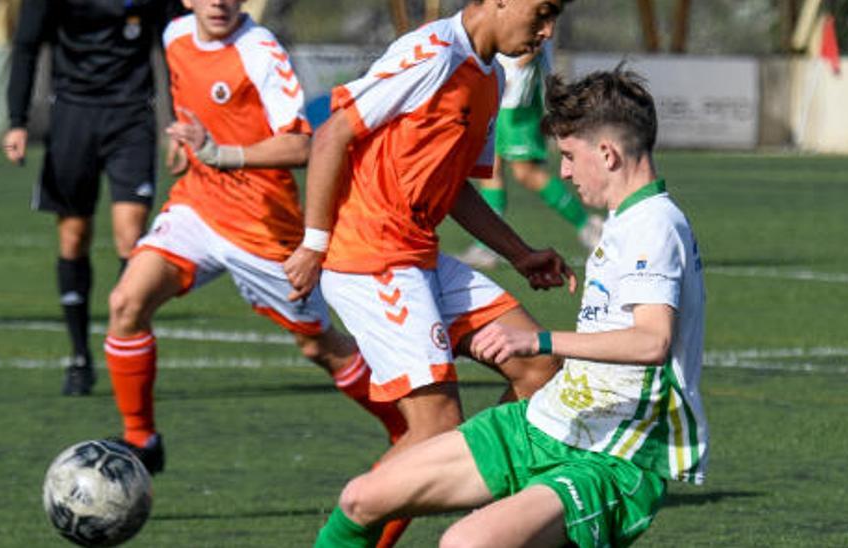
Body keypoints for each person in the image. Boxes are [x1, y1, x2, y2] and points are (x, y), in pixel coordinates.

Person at [312, 68, 708, 548]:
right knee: (363, 499)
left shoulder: (654, 225)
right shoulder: (626, 220)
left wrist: (536, 340)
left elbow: (652, 340)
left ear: (607, 154)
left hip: (610, 457)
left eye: (568, 156)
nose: (562, 172)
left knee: (466, 544)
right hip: (546, 422)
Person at [283, 0, 575, 544]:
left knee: (539, 369)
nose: (546, 30)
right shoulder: (432, 54)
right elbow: (333, 134)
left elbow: (456, 185)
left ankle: (481, 511)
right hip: (372, 257)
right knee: (435, 428)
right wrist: (313, 244)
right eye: (541, 13)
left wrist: (519, 253)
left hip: (419, 254)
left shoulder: (488, 76)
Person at [103, 0, 407, 475]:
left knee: (320, 348)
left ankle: (408, 431)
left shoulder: (261, 51)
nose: (220, 2)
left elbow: (301, 144)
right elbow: (191, 102)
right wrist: (182, 143)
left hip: (263, 227)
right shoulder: (175, 37)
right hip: (196, 207)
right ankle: (141, 439)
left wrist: (220, 153)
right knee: (126, 303)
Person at [3, 0, 183, 396]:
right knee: (73, 236)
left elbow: (178, 46)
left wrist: (181, 120)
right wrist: (17, 121)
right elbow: (27, 46)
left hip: (132, 116)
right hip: (72, 115)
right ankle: (80, 356)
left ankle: (122, 343)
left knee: (130, 234)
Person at [458, 41, 605, 270]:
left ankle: (587, 225)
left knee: (525, 172)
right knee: (489, 169)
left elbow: (534, 39)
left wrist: (514, 67)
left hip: (516, 104)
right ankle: (485, 247)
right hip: (496, 96)